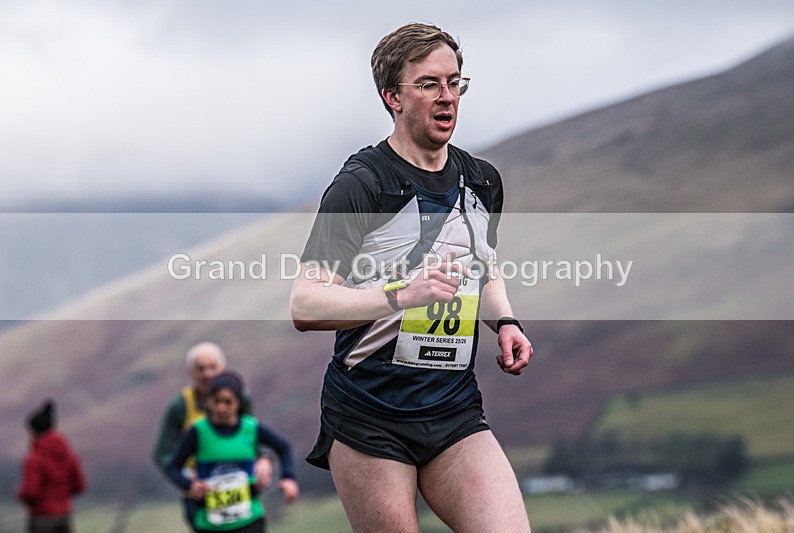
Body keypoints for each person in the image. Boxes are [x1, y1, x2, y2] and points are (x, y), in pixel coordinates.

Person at [290, 22, 533, 532]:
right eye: (428, 84)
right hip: (369, 414)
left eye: (455, 82)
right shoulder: (362, 186)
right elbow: (306, 304)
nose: (447, 97)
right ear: (392, 97)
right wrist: (402, 294)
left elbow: (482, 265)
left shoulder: (482, 181)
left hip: (454, 409)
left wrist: (505, 321)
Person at [151, 342, 273, 529]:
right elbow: (161, 453)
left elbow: (250, 433)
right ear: (190, 372)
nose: (207, 374)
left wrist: (263, 458)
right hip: (199, 497)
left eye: (212, 367)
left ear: (222, 368)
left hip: (240, 491)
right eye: (200, 369)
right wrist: (187, 481)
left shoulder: (241, 398)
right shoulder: (179, 406)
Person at [165, 371, 300, 533]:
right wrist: (189, 485)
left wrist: (289, 478)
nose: (221, 408)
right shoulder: (198, 431)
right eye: (216, 401)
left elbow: (283, 447)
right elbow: (172, 466)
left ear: (238, 403)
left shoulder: (250, 428)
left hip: (250, 522)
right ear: (208, 401)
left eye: (228, 402)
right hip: (210, 524)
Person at [16, 399, 86, 533]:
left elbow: (31, 492)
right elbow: (79, 486)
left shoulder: (34, 459)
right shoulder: (69, 455)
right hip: (64, 517)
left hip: (41, 519)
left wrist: (20, 494)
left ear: (35, 432)